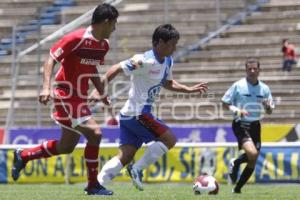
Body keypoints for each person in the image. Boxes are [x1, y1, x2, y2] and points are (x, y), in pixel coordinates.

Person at [11, 3, 119, 196]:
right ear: (105, 22)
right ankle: (93, 185)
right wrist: (46, 87)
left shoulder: (104, 45)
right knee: (95, 134)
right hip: (65, 93)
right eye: (113, 24)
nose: (115, 28)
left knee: (66, 146)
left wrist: (102, 92)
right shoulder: (76, 38)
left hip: (80, 97)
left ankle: (24, 155)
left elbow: (92, 68)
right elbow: (51, 58)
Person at [91, 24, 208, 192]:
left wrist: (188, 89)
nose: (174, 48)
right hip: (138, 113)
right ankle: (137, 169)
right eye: (172, 44)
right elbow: (116, 67)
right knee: (169, 139)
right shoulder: (143, 60)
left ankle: (96, 185)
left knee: (125, 156)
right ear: (160, 42)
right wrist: (98, 90)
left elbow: (167, 82)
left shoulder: (167, 60)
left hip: (129, 115)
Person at [221, 57, 274, 193]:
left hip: (256, 126)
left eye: (255, 69)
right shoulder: (238, 85)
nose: (252, 71)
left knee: (253, 159)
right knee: (252, 153)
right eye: (249, 69)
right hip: (240, 124)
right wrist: (237, 110)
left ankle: (237, 189)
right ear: (246, 70)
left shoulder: (265, 88)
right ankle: (236, 162)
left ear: (259, 70)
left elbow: (269, 111)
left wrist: (268, 107)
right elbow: (224, 102)